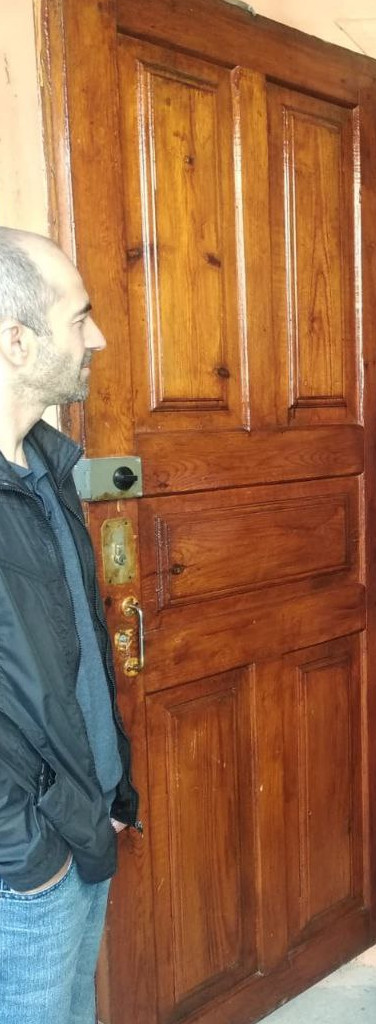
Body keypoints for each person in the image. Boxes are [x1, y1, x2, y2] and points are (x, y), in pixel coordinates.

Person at [0, 228, 139, 1024]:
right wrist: (28, 854)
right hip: (24, 868)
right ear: (16, 341)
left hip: (81, 821)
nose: (98, 337)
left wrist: (111, 787)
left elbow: (70, 655)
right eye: (79, 316)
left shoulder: (46, 466)